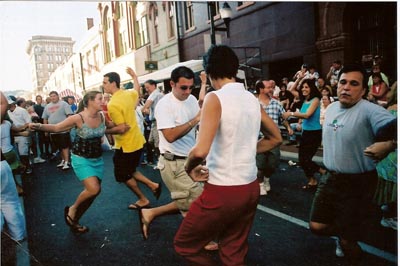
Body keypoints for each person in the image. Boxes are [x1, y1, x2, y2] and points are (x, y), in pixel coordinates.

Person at [174, 45, 282, 265]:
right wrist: (244, 149)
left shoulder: (215, 98)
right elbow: (275, 138)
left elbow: (201, 149)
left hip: (222, 189)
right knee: (233, 250)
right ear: (234, 69)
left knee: (184, 245)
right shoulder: (252, 99)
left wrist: (189, 167)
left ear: (210, 72)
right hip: (250, 187)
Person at [309, 64, 396, 259]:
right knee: (316, 226)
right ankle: (349, 231)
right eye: (343, 82)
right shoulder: (331, 108)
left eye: (354, 84)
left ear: (364, 90)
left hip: (358, 183)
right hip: (330, 178)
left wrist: (390, 144)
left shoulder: (371, 111)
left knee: (349, 242)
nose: (346, 87)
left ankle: (351, 238)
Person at [30, 91, 130, 234]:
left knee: (93, 193)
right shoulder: (78, 118)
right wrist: (37, 126)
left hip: (97, 159)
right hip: (81, 159)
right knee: (93, 189)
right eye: (100, 99)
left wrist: (121, 127)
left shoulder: (101, 116)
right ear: (89, 101)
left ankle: (75, 221)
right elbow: (57, 127)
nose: (103, 101)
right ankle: (72, 209)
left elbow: (107, 128)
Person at [136, 66, 205, 242]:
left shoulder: (190, 100)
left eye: (191, 87)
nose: (188, 92)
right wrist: (195, 120)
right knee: (195, 201)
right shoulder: (164, 105)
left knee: (191, 199)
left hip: (191, 160)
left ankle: (150, 213)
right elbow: (170, 135)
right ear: (172, 84)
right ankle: (197, 240)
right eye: (184, 87)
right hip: (173, 162)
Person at [102, 70, 161, 210]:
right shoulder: (127, 94)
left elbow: (122, 128)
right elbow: (137, 91)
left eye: (105, 82)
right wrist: (135, 76)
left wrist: (103, 130)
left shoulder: (113, 104)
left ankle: (143, 199)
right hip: (137, 141)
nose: (103, 85)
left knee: (122, 174)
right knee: (130, 170)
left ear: (113, 83)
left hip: (126, 144)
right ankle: (152, 185)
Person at [283, 79, 326, 190]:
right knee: (302, 159)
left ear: (312, 88)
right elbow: (291, 89)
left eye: (306, 87)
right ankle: (313, 180)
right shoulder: (305, 100)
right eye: (303, 87)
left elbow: (307, 115)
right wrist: (299, 78)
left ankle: (322, 172)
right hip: (306, 132)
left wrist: (291, 113)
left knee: (305, 159)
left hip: (314, 133)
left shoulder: (315, 99)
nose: (303, 89)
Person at [255, 79, 293, 195]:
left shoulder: (276, 104)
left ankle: (267, 178)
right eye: (268, 87)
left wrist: (288, 127)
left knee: (273, 164)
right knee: (259, 165)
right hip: (259, 139)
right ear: (261, 89)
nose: (271, 89)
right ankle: (260, 184)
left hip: (273, 140)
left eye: (272, 87)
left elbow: (282, 118)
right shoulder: (253, 104)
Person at [0, 91, 27, 243]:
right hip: (1, 164)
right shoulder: (5, 123)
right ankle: (18, 235)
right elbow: (3, 103)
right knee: (9, 202)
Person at [42, 91, 73, 170]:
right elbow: (45, 118)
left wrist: (69, 126)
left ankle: (67, 161)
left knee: (65, 146)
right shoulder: (47, 106)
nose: (53, 97)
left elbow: (69, 115)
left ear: (58, 96)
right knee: (59, 146)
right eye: (51, 96)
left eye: (54, 96)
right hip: (53, 130)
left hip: (63, 129)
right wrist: (46, 130)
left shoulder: (64, 104)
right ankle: (63, 160)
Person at [139, 77, 164, 165]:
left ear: (153, 86)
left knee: (157, 143)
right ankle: (159, 159)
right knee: (151, 141)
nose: (146, 89)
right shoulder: (156, 94)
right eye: (145, 88)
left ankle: (161, 161)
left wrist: (142, 110)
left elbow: (146, 106)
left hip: (158, 122)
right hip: (154, 121)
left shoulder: (155, 93)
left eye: (147, 87)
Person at [7, 96, 33, 175]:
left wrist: (26, 130)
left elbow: (29, 122)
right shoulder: (7, 112)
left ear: (13, 103)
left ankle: (27, 167)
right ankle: (23, 167)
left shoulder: (22, 111)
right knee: (17, 154)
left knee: (23, 153)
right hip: (14, 135)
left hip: (23, 135)